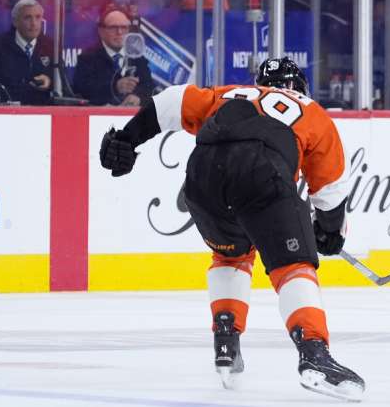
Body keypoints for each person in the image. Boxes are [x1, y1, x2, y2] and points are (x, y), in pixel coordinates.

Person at [96, 58, 364, 401]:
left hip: (202, 176)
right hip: (260, 172)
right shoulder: (312, 111)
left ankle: (226, 340)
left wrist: (127, 138)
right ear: (302, 88)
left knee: (231, 255)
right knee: (292, 267)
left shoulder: (229, 95)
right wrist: (329, 232)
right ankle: (315, 355)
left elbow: (171, 102)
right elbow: (330, 192)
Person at [0, 0, 55, 105]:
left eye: (38, 17)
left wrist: (49, 81)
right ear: (15, 22)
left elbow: (64, 85)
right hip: (7, 113)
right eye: (27, 18)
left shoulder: (50, 45)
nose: (34, 23)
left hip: (41, 112)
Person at [73, 6, 153, 106]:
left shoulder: (137, 58)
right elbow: (81, 90)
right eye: (113, 27)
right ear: (101, 31)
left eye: (124, 27)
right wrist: (115, 87)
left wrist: (138, 97)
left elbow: (149, 87)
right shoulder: (87, 58)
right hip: (100, 117)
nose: (119, 32)